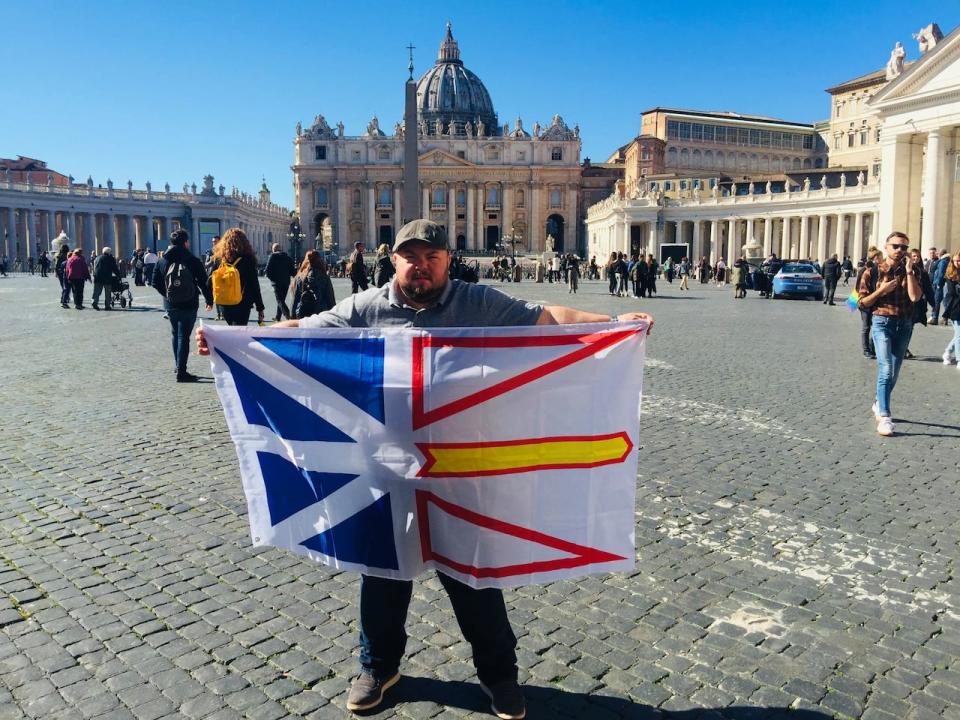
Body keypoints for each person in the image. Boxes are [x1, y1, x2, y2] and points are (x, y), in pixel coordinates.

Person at [195, 219, 654, 719]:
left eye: (432, 257)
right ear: (395, 259)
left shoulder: (477, 303)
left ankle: (500, 677)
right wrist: (236, 341)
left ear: (447, 260)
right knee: (383, 575)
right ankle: (378, 667)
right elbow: (303, 332)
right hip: (386, 471)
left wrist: (612, 325)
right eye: (412, 257)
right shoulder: (366, 307)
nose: (422, 266)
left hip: (460, 469)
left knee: (474, 578)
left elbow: (547, 318)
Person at [856, 232, 923, 436]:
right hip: (881, 322)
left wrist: (910, 273)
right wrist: (881, 291)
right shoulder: (872, 271)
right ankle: (884, 416)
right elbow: (861, 302)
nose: (900, 251)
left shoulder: (912, 270)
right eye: (896, 246)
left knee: (894, 372)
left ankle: (878, 401)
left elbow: (915, 297)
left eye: (904, 247)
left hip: (904, 325)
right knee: (885, 369)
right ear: (886, 247)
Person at [152, 228, 213, 382]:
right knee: (184, 336)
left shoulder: (162, 260)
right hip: (189, 302)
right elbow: (203, 282)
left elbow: (154, 282)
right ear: (186, 242)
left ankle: (177, 365)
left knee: (175, 334)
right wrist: (209, 299)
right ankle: (182, 371)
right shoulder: (193, 260)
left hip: (170, 304)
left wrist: (167, 294)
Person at [207, 228, 264, 326]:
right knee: (239, 330)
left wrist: (209, 301)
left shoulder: (220, 259)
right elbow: (254, 284)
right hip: (243, 302)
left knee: (231, 327)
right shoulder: (248, 259)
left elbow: (209, 281)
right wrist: (260, 308)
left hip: (225, 302)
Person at [291, 249, 336, 318]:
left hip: (303, 312)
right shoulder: (324, 277)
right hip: (321, 313)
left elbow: (295, 299)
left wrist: (293, 317)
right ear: (319, 261)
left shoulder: (300, 277)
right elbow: (330, 298)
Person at [856, 247, 882, 358]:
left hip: (875, 301)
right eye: (880, 257)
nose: (882, 259)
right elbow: (858, 286)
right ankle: (866, 349)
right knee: (866, 327)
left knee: (876, 325)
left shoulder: (879, 269)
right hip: (865, 302)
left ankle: (871, 347)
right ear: (876, 258)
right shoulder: (865, 270)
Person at [264, 242, 296, 321]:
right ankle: (278, 317)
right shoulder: (287, 257)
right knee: (282, 300)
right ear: (281, 249)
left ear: (273, 250)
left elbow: (267, 271)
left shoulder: (272, 256)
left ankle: (288, 315)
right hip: (286, 283)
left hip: (277, 283)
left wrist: (272, 279)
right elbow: (293, 272)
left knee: (280, 300)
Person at [940, 250, 960, 369]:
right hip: (955, 308)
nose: (958, 262)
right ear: (952, 261)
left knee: (958, 335)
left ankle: (947, 352)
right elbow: (952, 293)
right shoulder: (950, 275)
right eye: (956, 260)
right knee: (959, 335)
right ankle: (959, 359)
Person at [930, 249, 950, 325]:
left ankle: (935, 318)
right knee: (945, 302)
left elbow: (941, 273)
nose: (937, 255)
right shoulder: (946, 260)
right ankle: (945, 319)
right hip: (943, 283)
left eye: (938, 253)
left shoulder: (943, 261)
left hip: (939, 284)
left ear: (941, 254)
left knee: (936, 301)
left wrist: (938, 283)